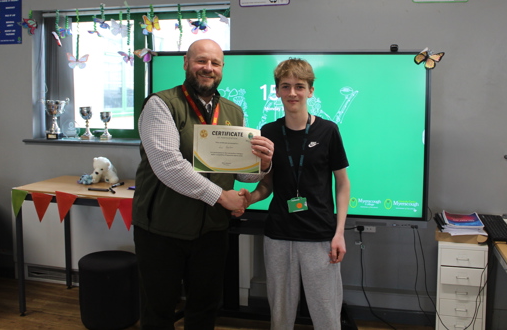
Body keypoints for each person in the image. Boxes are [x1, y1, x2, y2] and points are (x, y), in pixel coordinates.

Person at [133, 39, 274, 330]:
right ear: (186, 63)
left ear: (222, 68)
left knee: (205, 309)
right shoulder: (161, 104)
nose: (208, 68)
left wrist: (262, 166)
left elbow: (240, 172)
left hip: (212, 231)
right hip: (162, 230)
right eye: (201, 61)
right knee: (158, 311)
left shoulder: (233, 111)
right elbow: (169, 166)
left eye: (215, 63)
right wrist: (222, 197)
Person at [241, 58, 351, 330]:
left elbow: (342, 184)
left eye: (299, 86)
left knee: (327, 316)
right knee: (280, 317)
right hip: (278, 235)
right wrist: (250, 198)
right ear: (277, 91)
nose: (292, 93)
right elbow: (267, 185)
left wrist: (339, 233)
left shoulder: (328, 131)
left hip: (320, 235)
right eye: (286, 86)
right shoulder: (268, 132)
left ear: (310, 91)